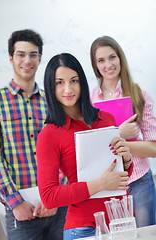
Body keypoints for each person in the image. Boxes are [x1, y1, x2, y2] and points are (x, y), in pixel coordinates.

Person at [36, 52, 133, 240]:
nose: (68, 89)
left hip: (122, 220)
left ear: (82, 82)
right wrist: (100, 184)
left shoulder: (106, 119)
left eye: (74, 80)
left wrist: (127, 160)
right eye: (59, 83)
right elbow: (48, 197)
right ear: (50, 87)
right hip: (84, 229)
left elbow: (120, 176)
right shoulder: (49, 135)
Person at [0, 29, 67, 240]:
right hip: (21, 211)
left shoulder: (53, 101)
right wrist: (14, 201)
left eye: (33, 54)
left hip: (58, 208)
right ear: (10, 58)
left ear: (40, 58)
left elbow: (65, 150)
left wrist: (56, 197)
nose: (27, 60)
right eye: (20, 54)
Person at [90, 35, 156, 227]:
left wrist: (121, 143)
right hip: (106, 184)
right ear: (95, 65)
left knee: (145, 236)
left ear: (120, 58)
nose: (108, 64)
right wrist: (119, 133)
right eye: (101, 60)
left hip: (139, 182)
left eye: (112, 57)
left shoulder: (139, 93)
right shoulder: (90, 99)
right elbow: (90, 148)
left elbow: (153, 147)